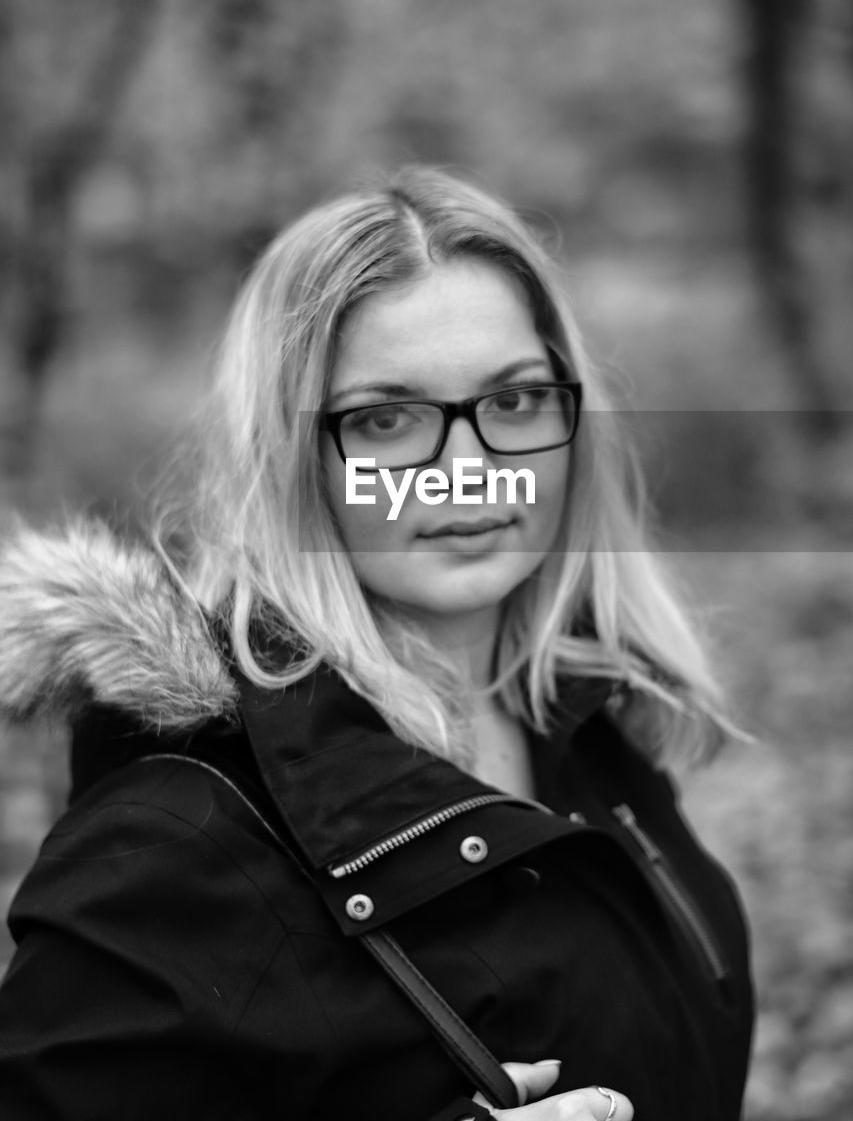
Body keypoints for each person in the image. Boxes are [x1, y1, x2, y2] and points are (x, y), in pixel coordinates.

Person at [0, 167, 754, 1120]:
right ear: (288, 456)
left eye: (515, 401)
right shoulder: (175, 844)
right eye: (387, 420)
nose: (468, 472)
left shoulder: (590, 725)